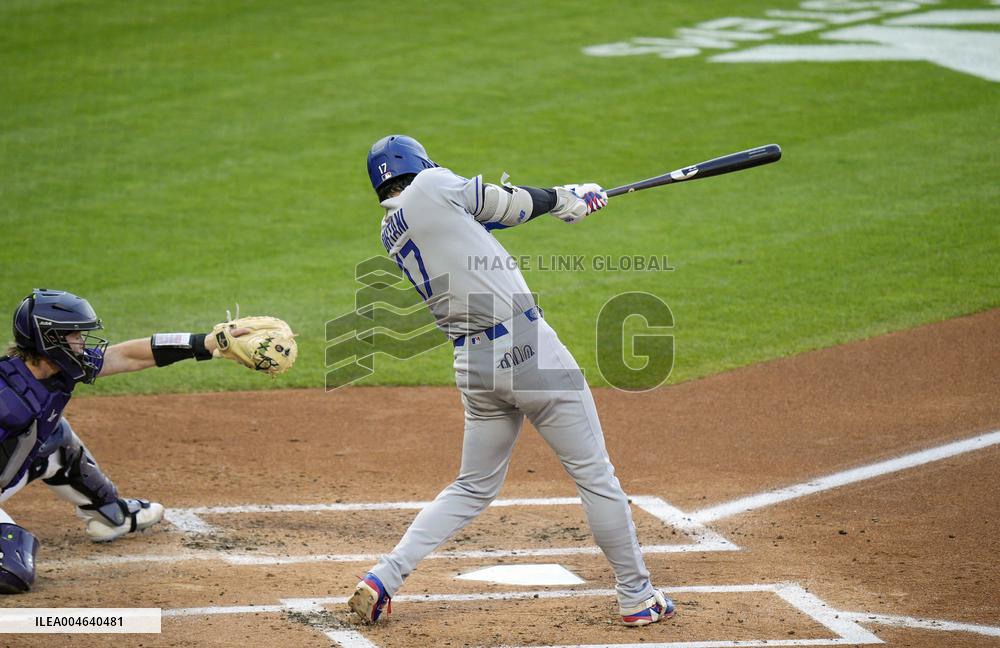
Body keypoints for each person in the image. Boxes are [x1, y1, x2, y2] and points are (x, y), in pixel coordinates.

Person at [348, 135, 674, 627]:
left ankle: (384, 578)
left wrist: (566, 201)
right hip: (530, 352)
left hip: (473, 367)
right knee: (595, 476)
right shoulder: (435, 186)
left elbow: (487, 215)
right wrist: (566, 198)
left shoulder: (392, 228)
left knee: (472, 486)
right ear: (421, 164)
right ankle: (637, 597)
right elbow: (512, 205)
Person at [0, 288, 250, 594]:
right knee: (11, 570)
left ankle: (110, 515)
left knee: (54, 437)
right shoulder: (7, 399)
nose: (82, 342)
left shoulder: (57, 371)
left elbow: (128, 356)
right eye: (74, 336)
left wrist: (206, 343)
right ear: (49, 339)